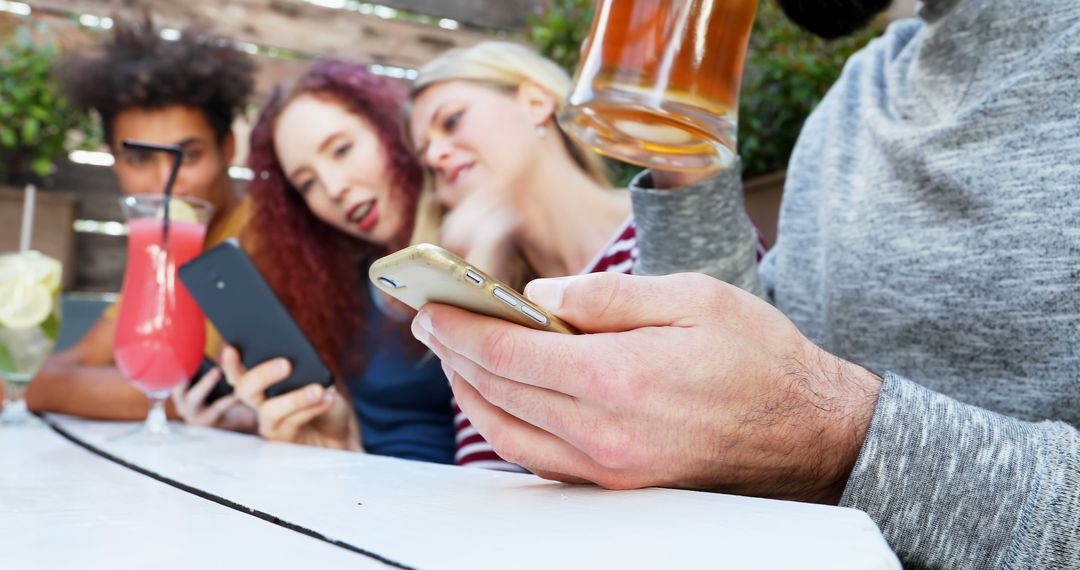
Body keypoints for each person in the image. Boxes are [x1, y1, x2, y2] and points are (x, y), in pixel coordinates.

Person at [408, 0, 1080, 567]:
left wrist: (831, 441)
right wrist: (679, 155)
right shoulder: (859, 93)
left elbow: (791, 414)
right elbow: (749, 370)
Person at [407, 42, 767, 468]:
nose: (435, 155)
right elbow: (487, 469)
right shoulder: (501, 289)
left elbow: (724, 405)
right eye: (426, 158)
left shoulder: (669, 219)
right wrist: (485, 270)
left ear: (536, 101)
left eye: (451, 121)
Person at [220, 59, 502, 465]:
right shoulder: (338, 296)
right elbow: (351, 454)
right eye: (307, 183)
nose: (334, 189)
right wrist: (327, 442)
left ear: (390, 130)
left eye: (341, 149)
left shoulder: (486, 244)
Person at [26, 18, 256, 430]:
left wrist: (32, 387)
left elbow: (212, 388)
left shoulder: (263, 234)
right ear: (115, 161)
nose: (164, 182)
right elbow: (79, 359)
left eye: (187, 154)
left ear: (228, 148)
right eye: (139, 159)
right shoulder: (158, 251)